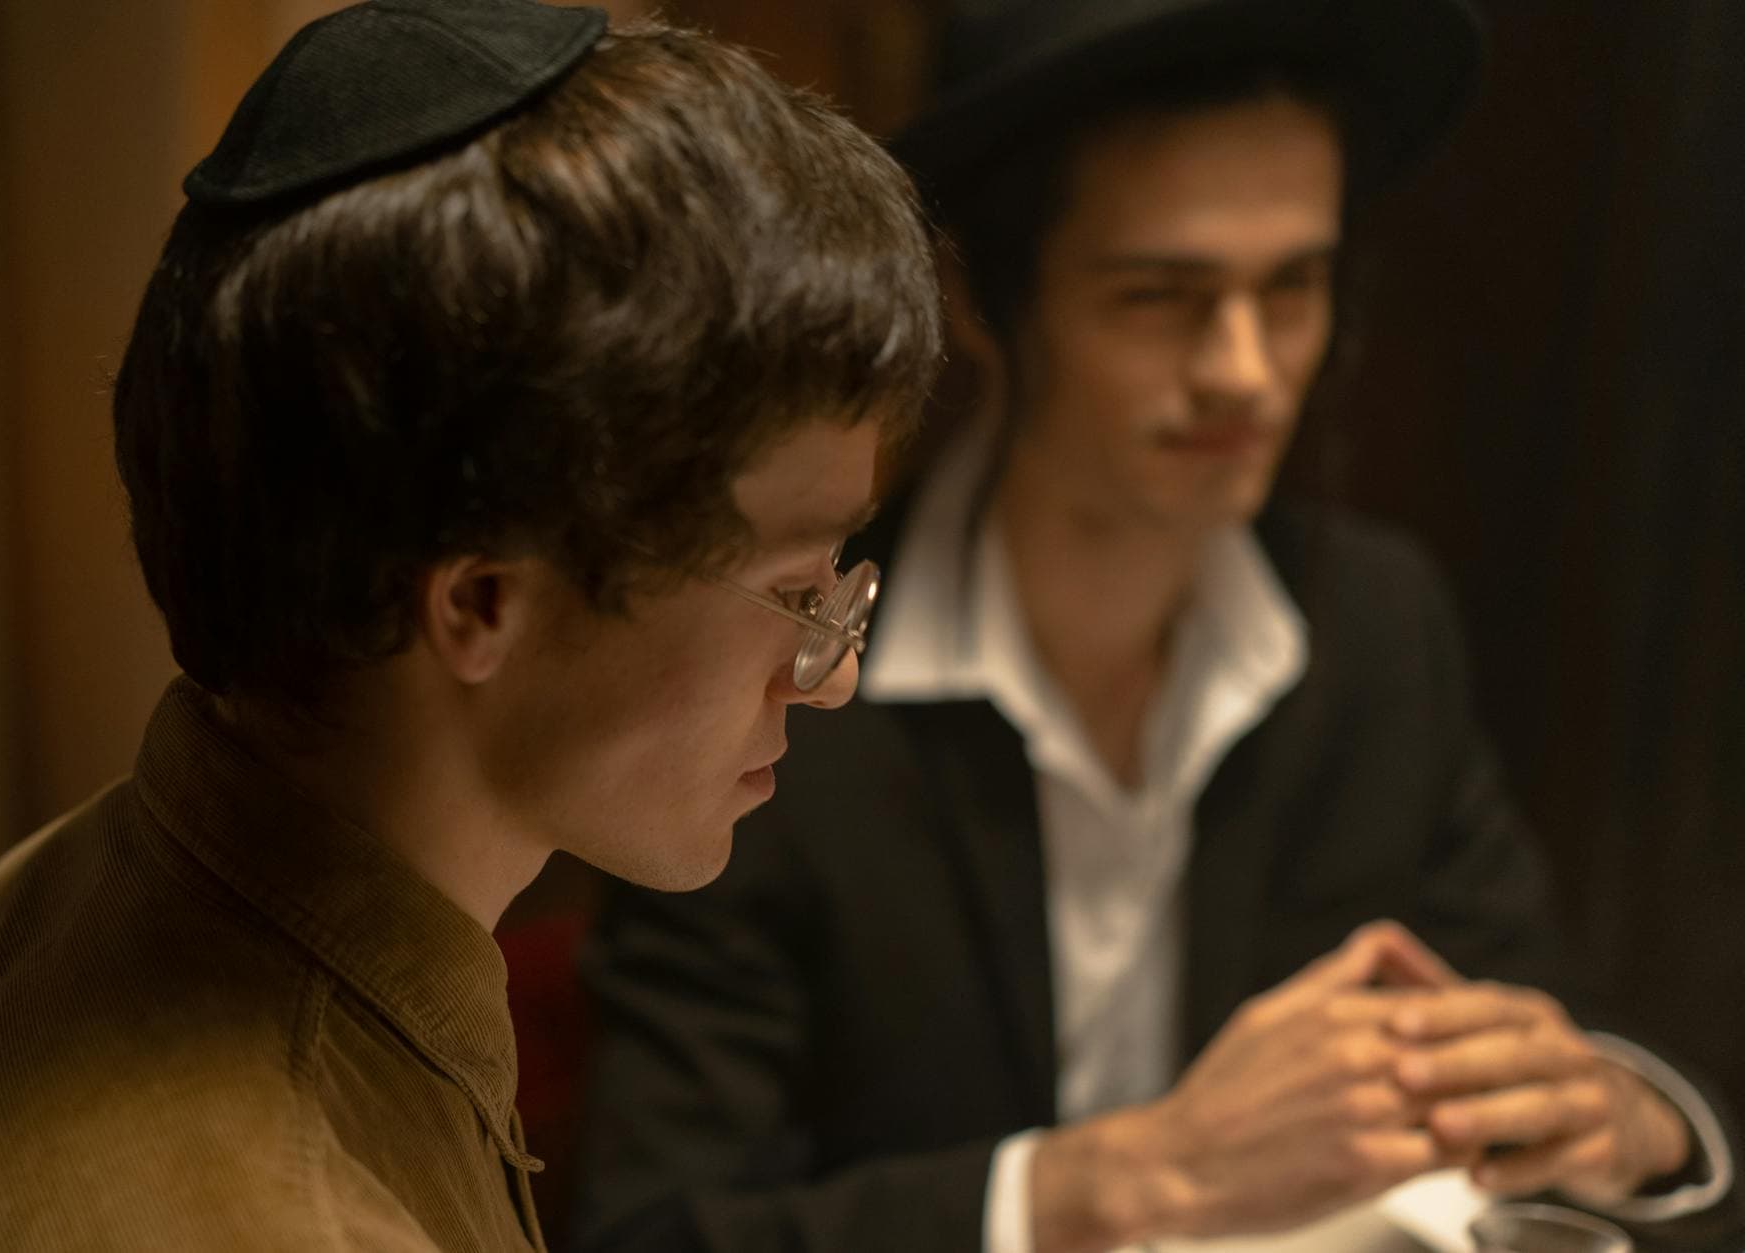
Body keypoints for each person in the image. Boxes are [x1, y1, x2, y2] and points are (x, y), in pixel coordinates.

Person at [571, 2, 1738, 1251]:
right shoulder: (784, 675)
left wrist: (1629, 1118)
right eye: (1160, 297)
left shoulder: (1370, 624)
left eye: (1292, 285)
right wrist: (1108, 1183)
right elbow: (655, 1228)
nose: (1244, 366)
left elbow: (1532, 1019)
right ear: (977, 300)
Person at [0, 1, 941, 1248]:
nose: (831, 676)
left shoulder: (98, 871)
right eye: (798, 594)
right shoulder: (268, 1213)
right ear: (484, 599)